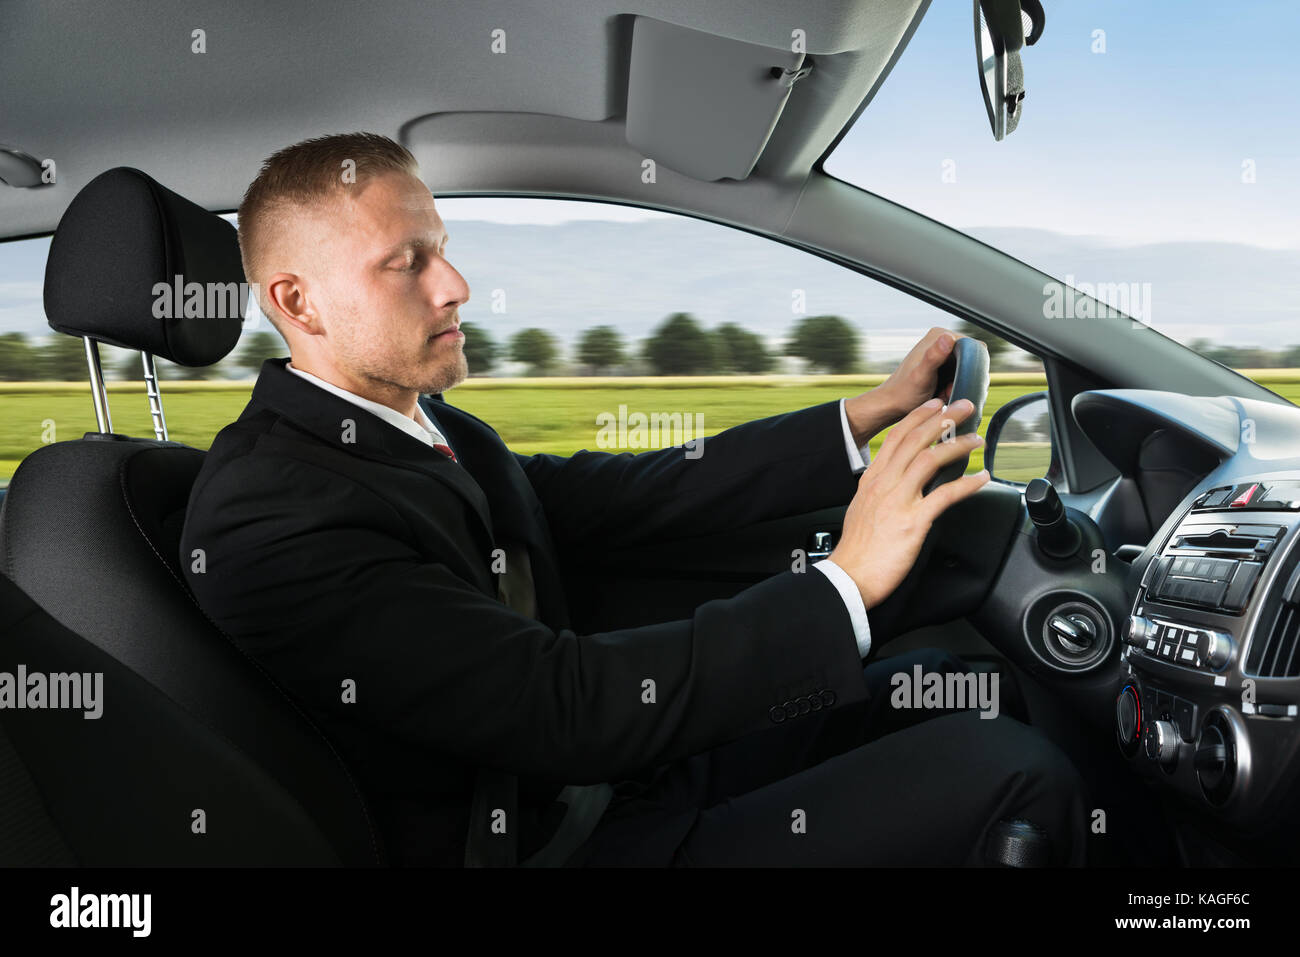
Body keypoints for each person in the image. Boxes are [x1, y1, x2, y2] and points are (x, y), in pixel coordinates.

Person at [179, 132, 1086, 867]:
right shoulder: (270, 510)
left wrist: (862, 416)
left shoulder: (416, 425)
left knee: (963, 691)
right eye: (405, 261)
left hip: (616, 784)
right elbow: (557, 706)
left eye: (445, 251)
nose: (454, 285)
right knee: (1015, 775)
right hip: (556, 844)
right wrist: (844, 580)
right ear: (298, 302)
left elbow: (633, 495)